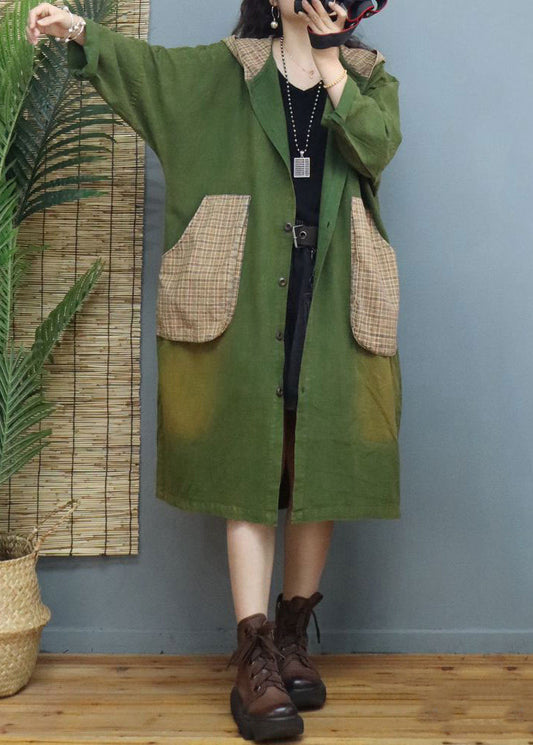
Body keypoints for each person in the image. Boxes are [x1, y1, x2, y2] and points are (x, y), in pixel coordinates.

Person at [26, 0, 403, 740]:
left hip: (333, 291)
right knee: (248, 459)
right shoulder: (222, 72)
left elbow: (375, 147)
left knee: (317, 461)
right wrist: (79, 30)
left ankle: (291, 641)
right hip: (241, 291)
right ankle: (254, 655)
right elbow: (145, 71)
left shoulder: (368, 77)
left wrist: (331, 60)